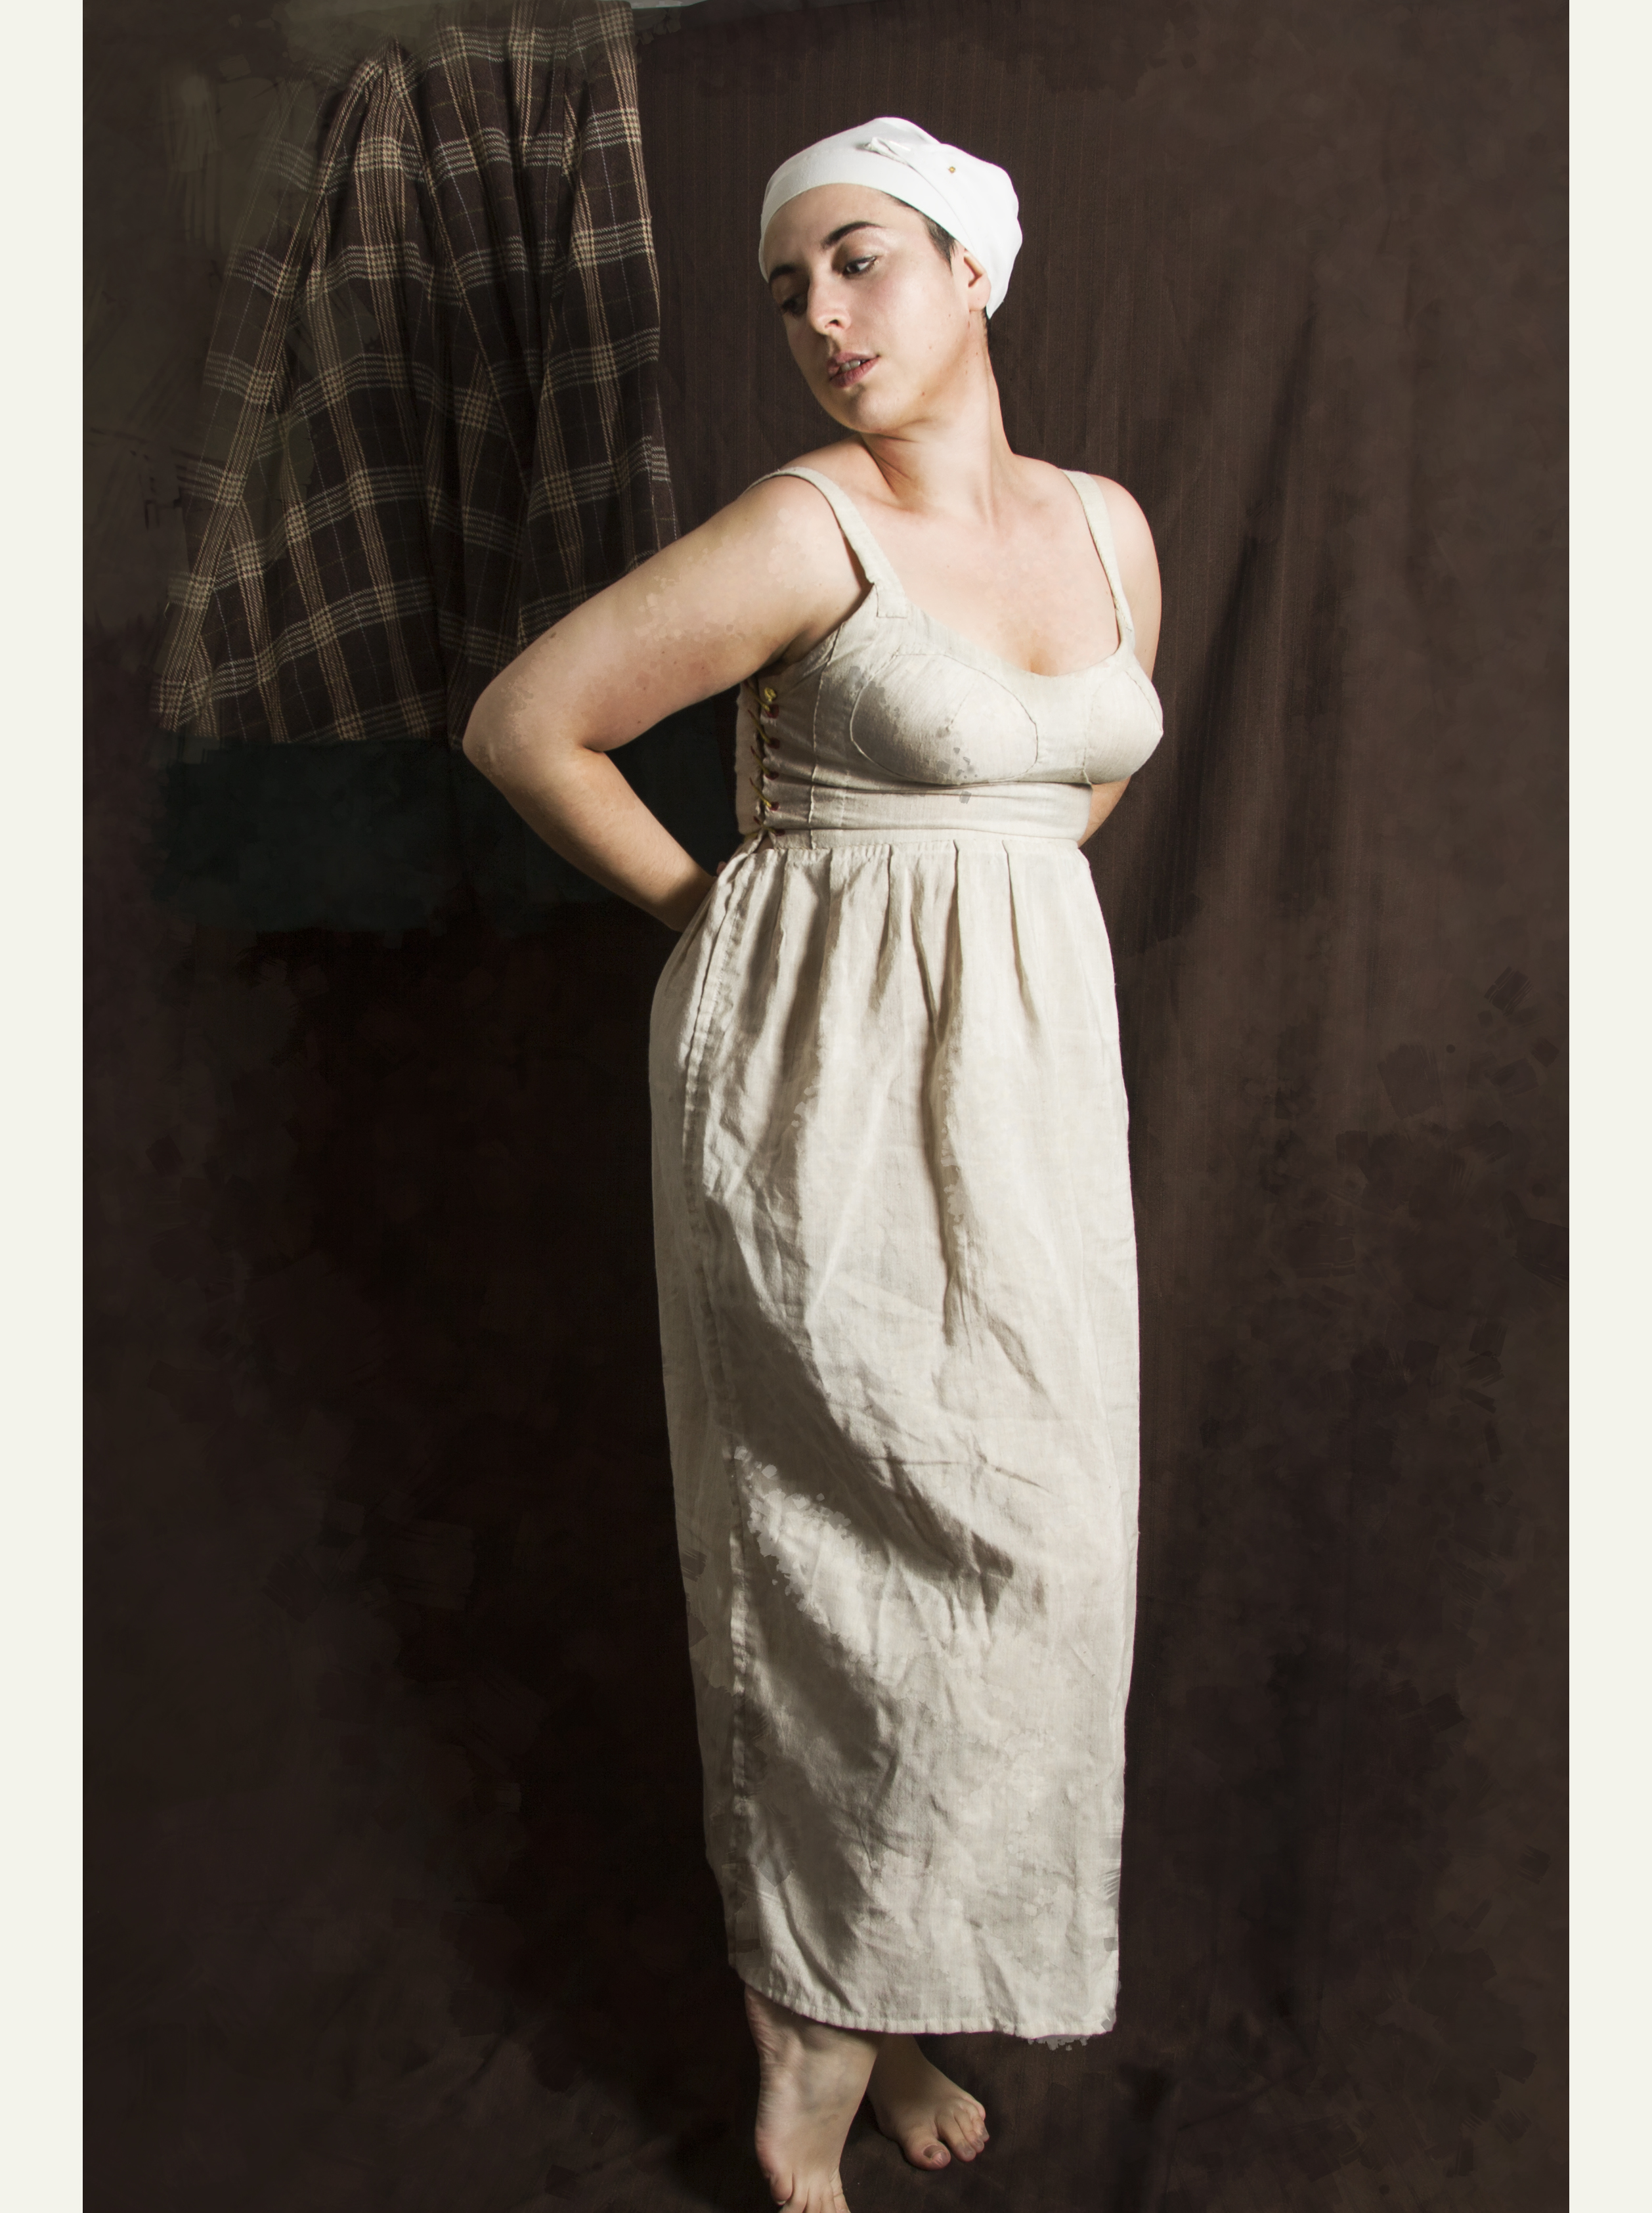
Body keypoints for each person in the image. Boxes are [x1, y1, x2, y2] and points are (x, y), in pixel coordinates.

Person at [464, 116, 1163, 2213]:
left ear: (975, 266)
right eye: (789, 290)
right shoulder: (803, 528)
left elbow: (1057, 784)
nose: (823, 318)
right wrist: (731, 922)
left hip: (1028, 1096)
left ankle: (888, 1985)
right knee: (840, 1551)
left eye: (860, 261)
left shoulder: (1106, 528)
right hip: (821, 1089)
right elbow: (527, 723)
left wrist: (985, 919)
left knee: (1032, 1553)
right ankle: (802, 2053)